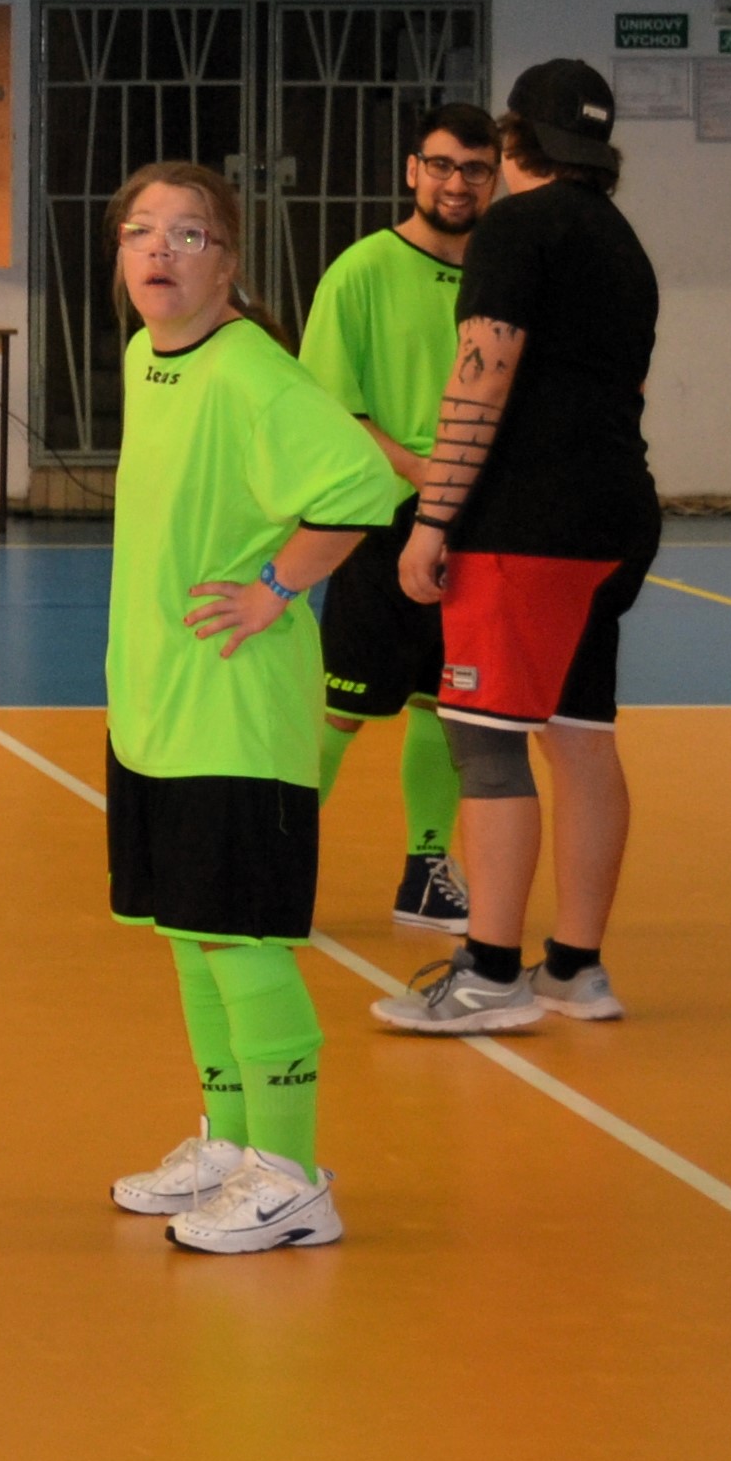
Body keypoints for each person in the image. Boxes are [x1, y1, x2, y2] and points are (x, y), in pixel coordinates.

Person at [86, 164, 397, 1257]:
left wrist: (276, 587)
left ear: (229, 262)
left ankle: (292, 1177)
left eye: (188, 235)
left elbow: (361, 486)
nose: (159, 252)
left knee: (238, 936)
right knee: (189, 932)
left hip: (236, 707)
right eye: (141, 232)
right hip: (158, 703)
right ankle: (231, 1145)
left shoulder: (253, 370)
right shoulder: (149, 356)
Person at [376, 59, 658, 1038]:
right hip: (617, 513)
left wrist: (433, 519)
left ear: (512, 141)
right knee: (580, 737)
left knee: (486, 738)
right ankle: (575, 968)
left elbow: (481, 377)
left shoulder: (515, 228)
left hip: (526, 523)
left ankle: (491, 973)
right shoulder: (623, 243)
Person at [296, 102, 496, 936]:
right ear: (413, 170)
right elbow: (330, 409)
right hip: (384, 520)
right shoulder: (362, 271)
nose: (457, 183)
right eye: (441, 165)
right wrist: (426, 475)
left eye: (475, 169)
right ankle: (270, 865)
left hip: (479, 522)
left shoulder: (502, 271)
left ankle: (425, 872)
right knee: (341, 707)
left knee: (444, 704)